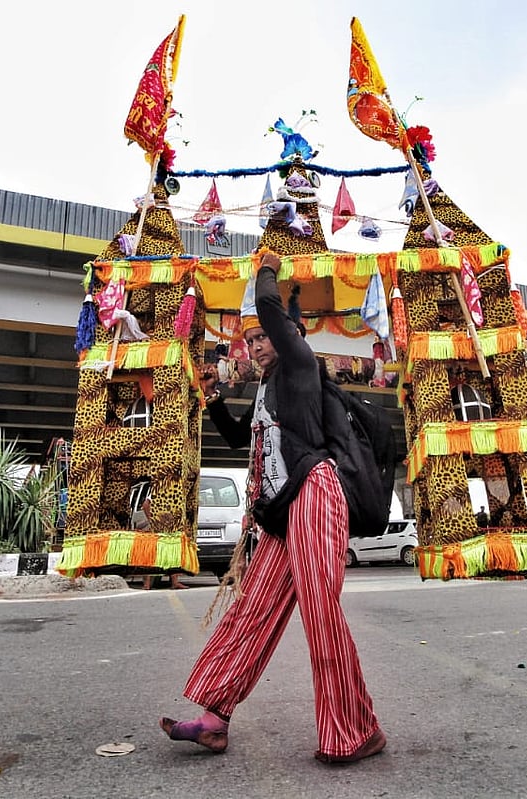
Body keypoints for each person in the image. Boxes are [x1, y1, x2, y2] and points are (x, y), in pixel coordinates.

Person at [160, 250, 385, 763]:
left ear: (287, 335)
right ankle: (215, 719)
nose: (255, 346)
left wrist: (267, 265)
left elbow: (267, 304)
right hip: (283, 512)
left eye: (262, 338)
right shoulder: (266, 388)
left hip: (316, 493)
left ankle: (357, 730)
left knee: (320, 611)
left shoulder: (301, 365)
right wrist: (214, 399)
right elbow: (242, 438)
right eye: (250, 341)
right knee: (253, 609)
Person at [131, 494, 189, 590]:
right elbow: (146, 505)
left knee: (171, 553)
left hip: (170, 528)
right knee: (151, 554)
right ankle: (147, 584)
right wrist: (152, 520)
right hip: (158, 528)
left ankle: (175, 582)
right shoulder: (160, 491)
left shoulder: (177, 492)